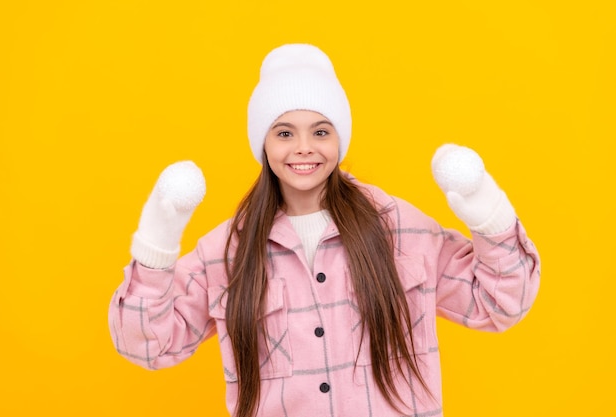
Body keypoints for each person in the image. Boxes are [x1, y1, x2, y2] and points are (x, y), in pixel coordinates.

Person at [108, 43, 540, 417]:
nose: (303, 148)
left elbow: (500, 302)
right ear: (263, 143)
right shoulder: (227, 252)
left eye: (320, 131)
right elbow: (148, 345)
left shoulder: (397, 227)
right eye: (284, 132)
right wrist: (158, 239)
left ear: (340, 138)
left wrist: (486, 207)